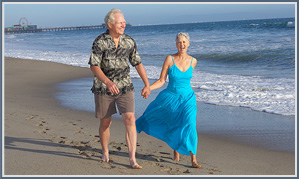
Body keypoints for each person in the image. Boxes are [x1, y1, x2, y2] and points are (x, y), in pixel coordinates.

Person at [88, 8, 150, 169]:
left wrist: (147, 84)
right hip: (103, 87)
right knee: (105, 122)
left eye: (124, 22)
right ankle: (105, 151)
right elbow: (94, 66)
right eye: (120, 22)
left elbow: (137, 63)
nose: (124, 25)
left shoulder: (129, 41)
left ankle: (132, 159)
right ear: (110, 24)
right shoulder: (99, 41)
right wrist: (108, 82)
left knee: (130, 119)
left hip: (125, 86)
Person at [136, 32, 201, 168]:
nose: (181, 44)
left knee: (190, 124)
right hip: (171, 97)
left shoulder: (193, 61)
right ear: (176, 44)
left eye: (184, 42)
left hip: (188, 98)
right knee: (173, 123)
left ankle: (193, 158)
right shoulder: (169, 59)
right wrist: (148, 88)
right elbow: (161, 81)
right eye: (179, 42)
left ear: (188, 44)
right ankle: (176, 148)